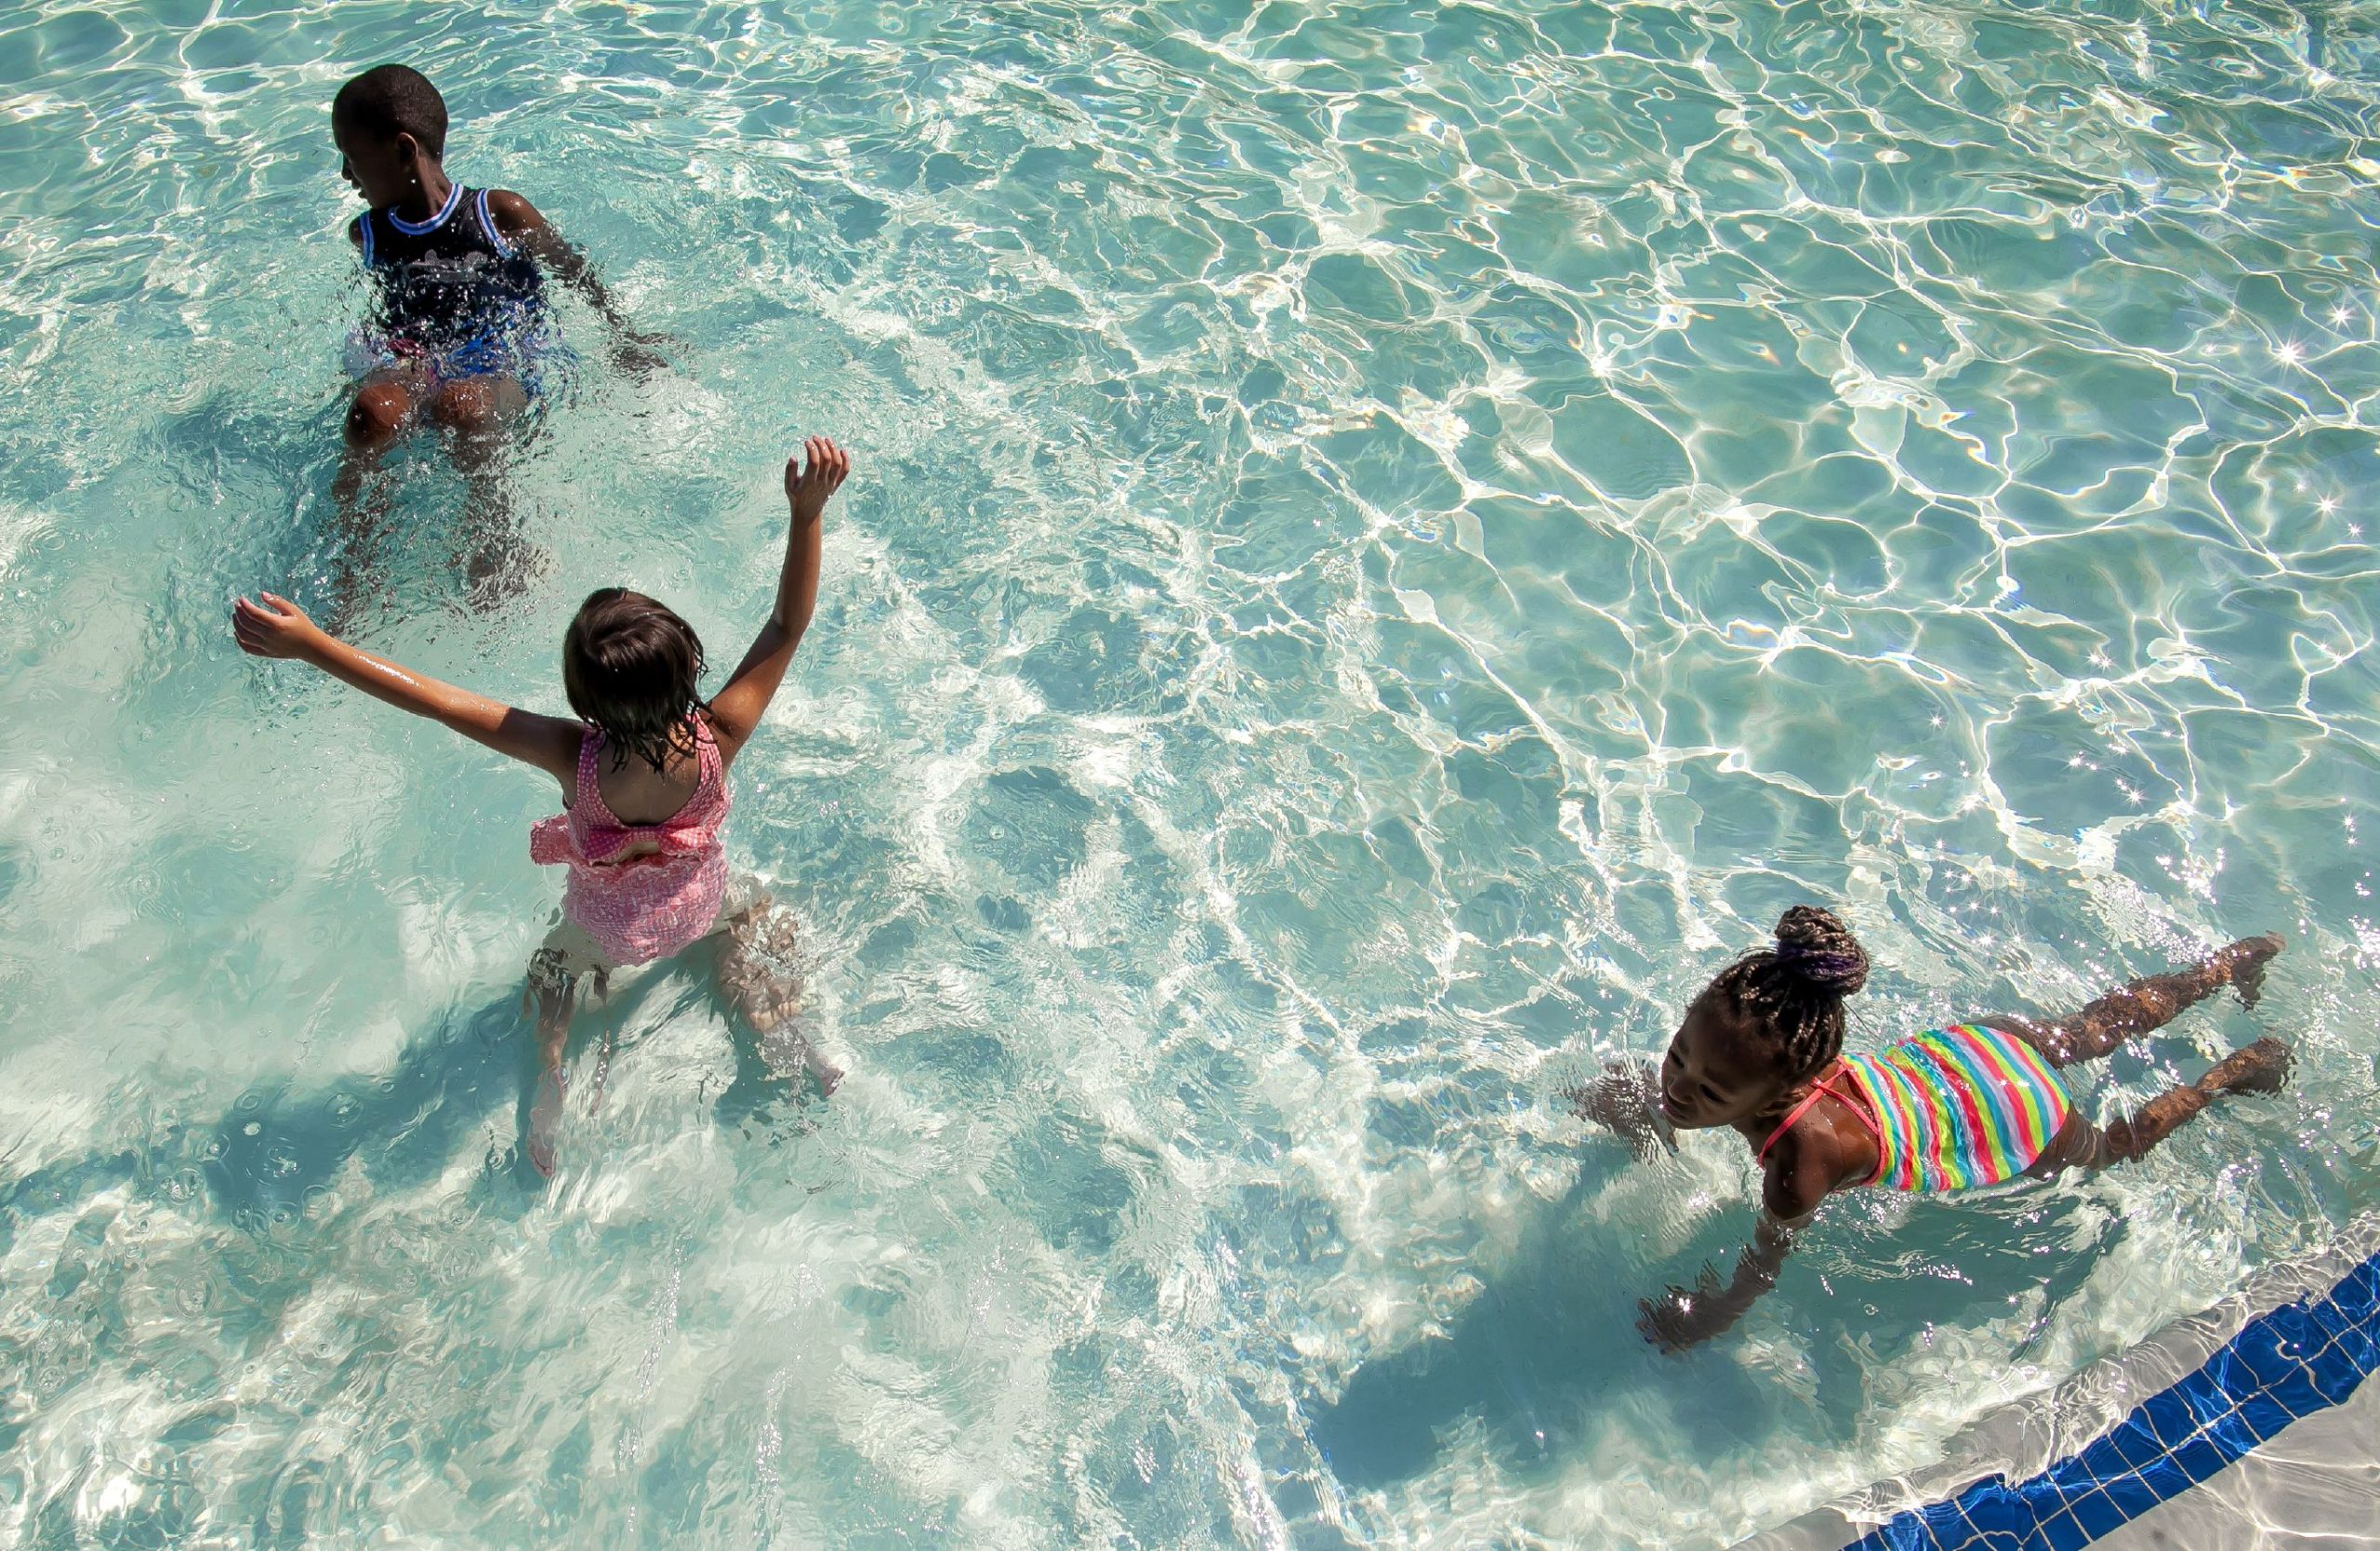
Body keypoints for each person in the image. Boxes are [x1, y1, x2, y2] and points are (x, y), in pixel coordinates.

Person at [234, 438, 853, 1175]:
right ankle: (789, 1036)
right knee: (748, 923)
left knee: (551, 977)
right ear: (689, 668)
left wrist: (311, 644)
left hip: (606, 932)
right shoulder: (723, 733)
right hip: (697, 901)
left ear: (582, 701)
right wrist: (806, 515)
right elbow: (787, 624)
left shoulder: (573, 755)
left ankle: (553, 1076)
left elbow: (436, 700)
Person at [1570, 907, 2290, 1352]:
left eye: (1708, 1091)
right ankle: (2228, 965)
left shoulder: (1799, 1163)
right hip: (1969, 1052)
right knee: (2091, 1029)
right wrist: (1645, 1110)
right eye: (1675, 1059)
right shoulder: (1773, 1061)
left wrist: (1714, 1314)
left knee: (2110, 1149)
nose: (1677, 1087)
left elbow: (1765, 1262)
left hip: (2013, 1116)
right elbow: (1685, 1088)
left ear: (1787, 1090)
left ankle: (2229, 1075)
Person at [328, 63, 667, 607]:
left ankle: (497, 534)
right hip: (419, 360)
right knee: (372, 411)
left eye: (350, 154)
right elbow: (379, 320)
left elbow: (573, 270)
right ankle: (353, 554)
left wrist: (622, 336)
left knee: (462, 405)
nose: (345, 173)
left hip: (508, 361)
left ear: (402, 150)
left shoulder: (498, 214)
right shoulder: (368, 233)